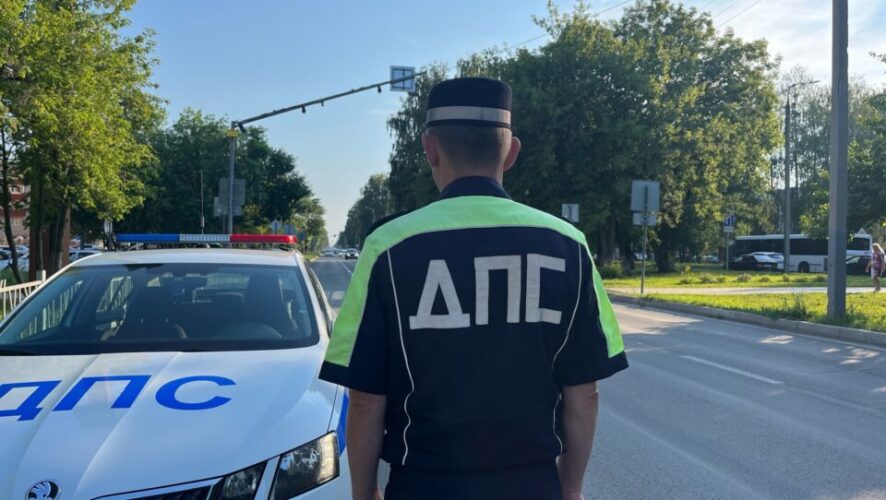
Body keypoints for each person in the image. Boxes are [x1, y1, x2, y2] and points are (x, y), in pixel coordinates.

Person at [319, 77, 628, 500]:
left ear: (430, 148)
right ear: (511, 152)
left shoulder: (386, 248)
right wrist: (571, 487)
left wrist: (364, 492)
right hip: (532, 486)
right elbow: (584, 394)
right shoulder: (568, 246)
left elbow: (366, 400)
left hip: (424, 485)